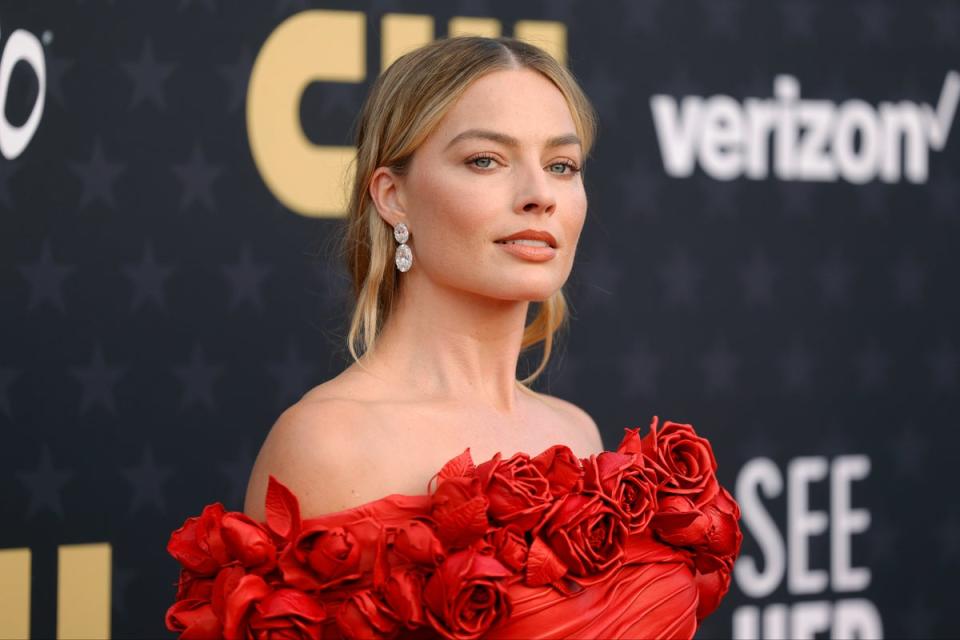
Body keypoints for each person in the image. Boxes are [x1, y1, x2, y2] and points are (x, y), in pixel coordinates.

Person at [164, 36, 741, 640]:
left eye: (561, 165)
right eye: (485, 160)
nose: (539, 195)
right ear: (393, 196)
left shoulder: (577, 432)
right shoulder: (328, 444)